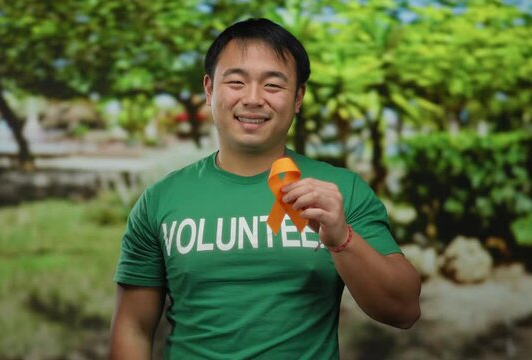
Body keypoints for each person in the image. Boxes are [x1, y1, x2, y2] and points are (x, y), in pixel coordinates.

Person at [109, 18, 421, 359]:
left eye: (273, 86)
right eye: (237, 82)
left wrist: (341, 238)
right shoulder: (160, 200)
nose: (253, 99)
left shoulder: (341, 191)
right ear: (210, 90)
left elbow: (404, 310)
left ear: (298, 97)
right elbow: (133, 328)